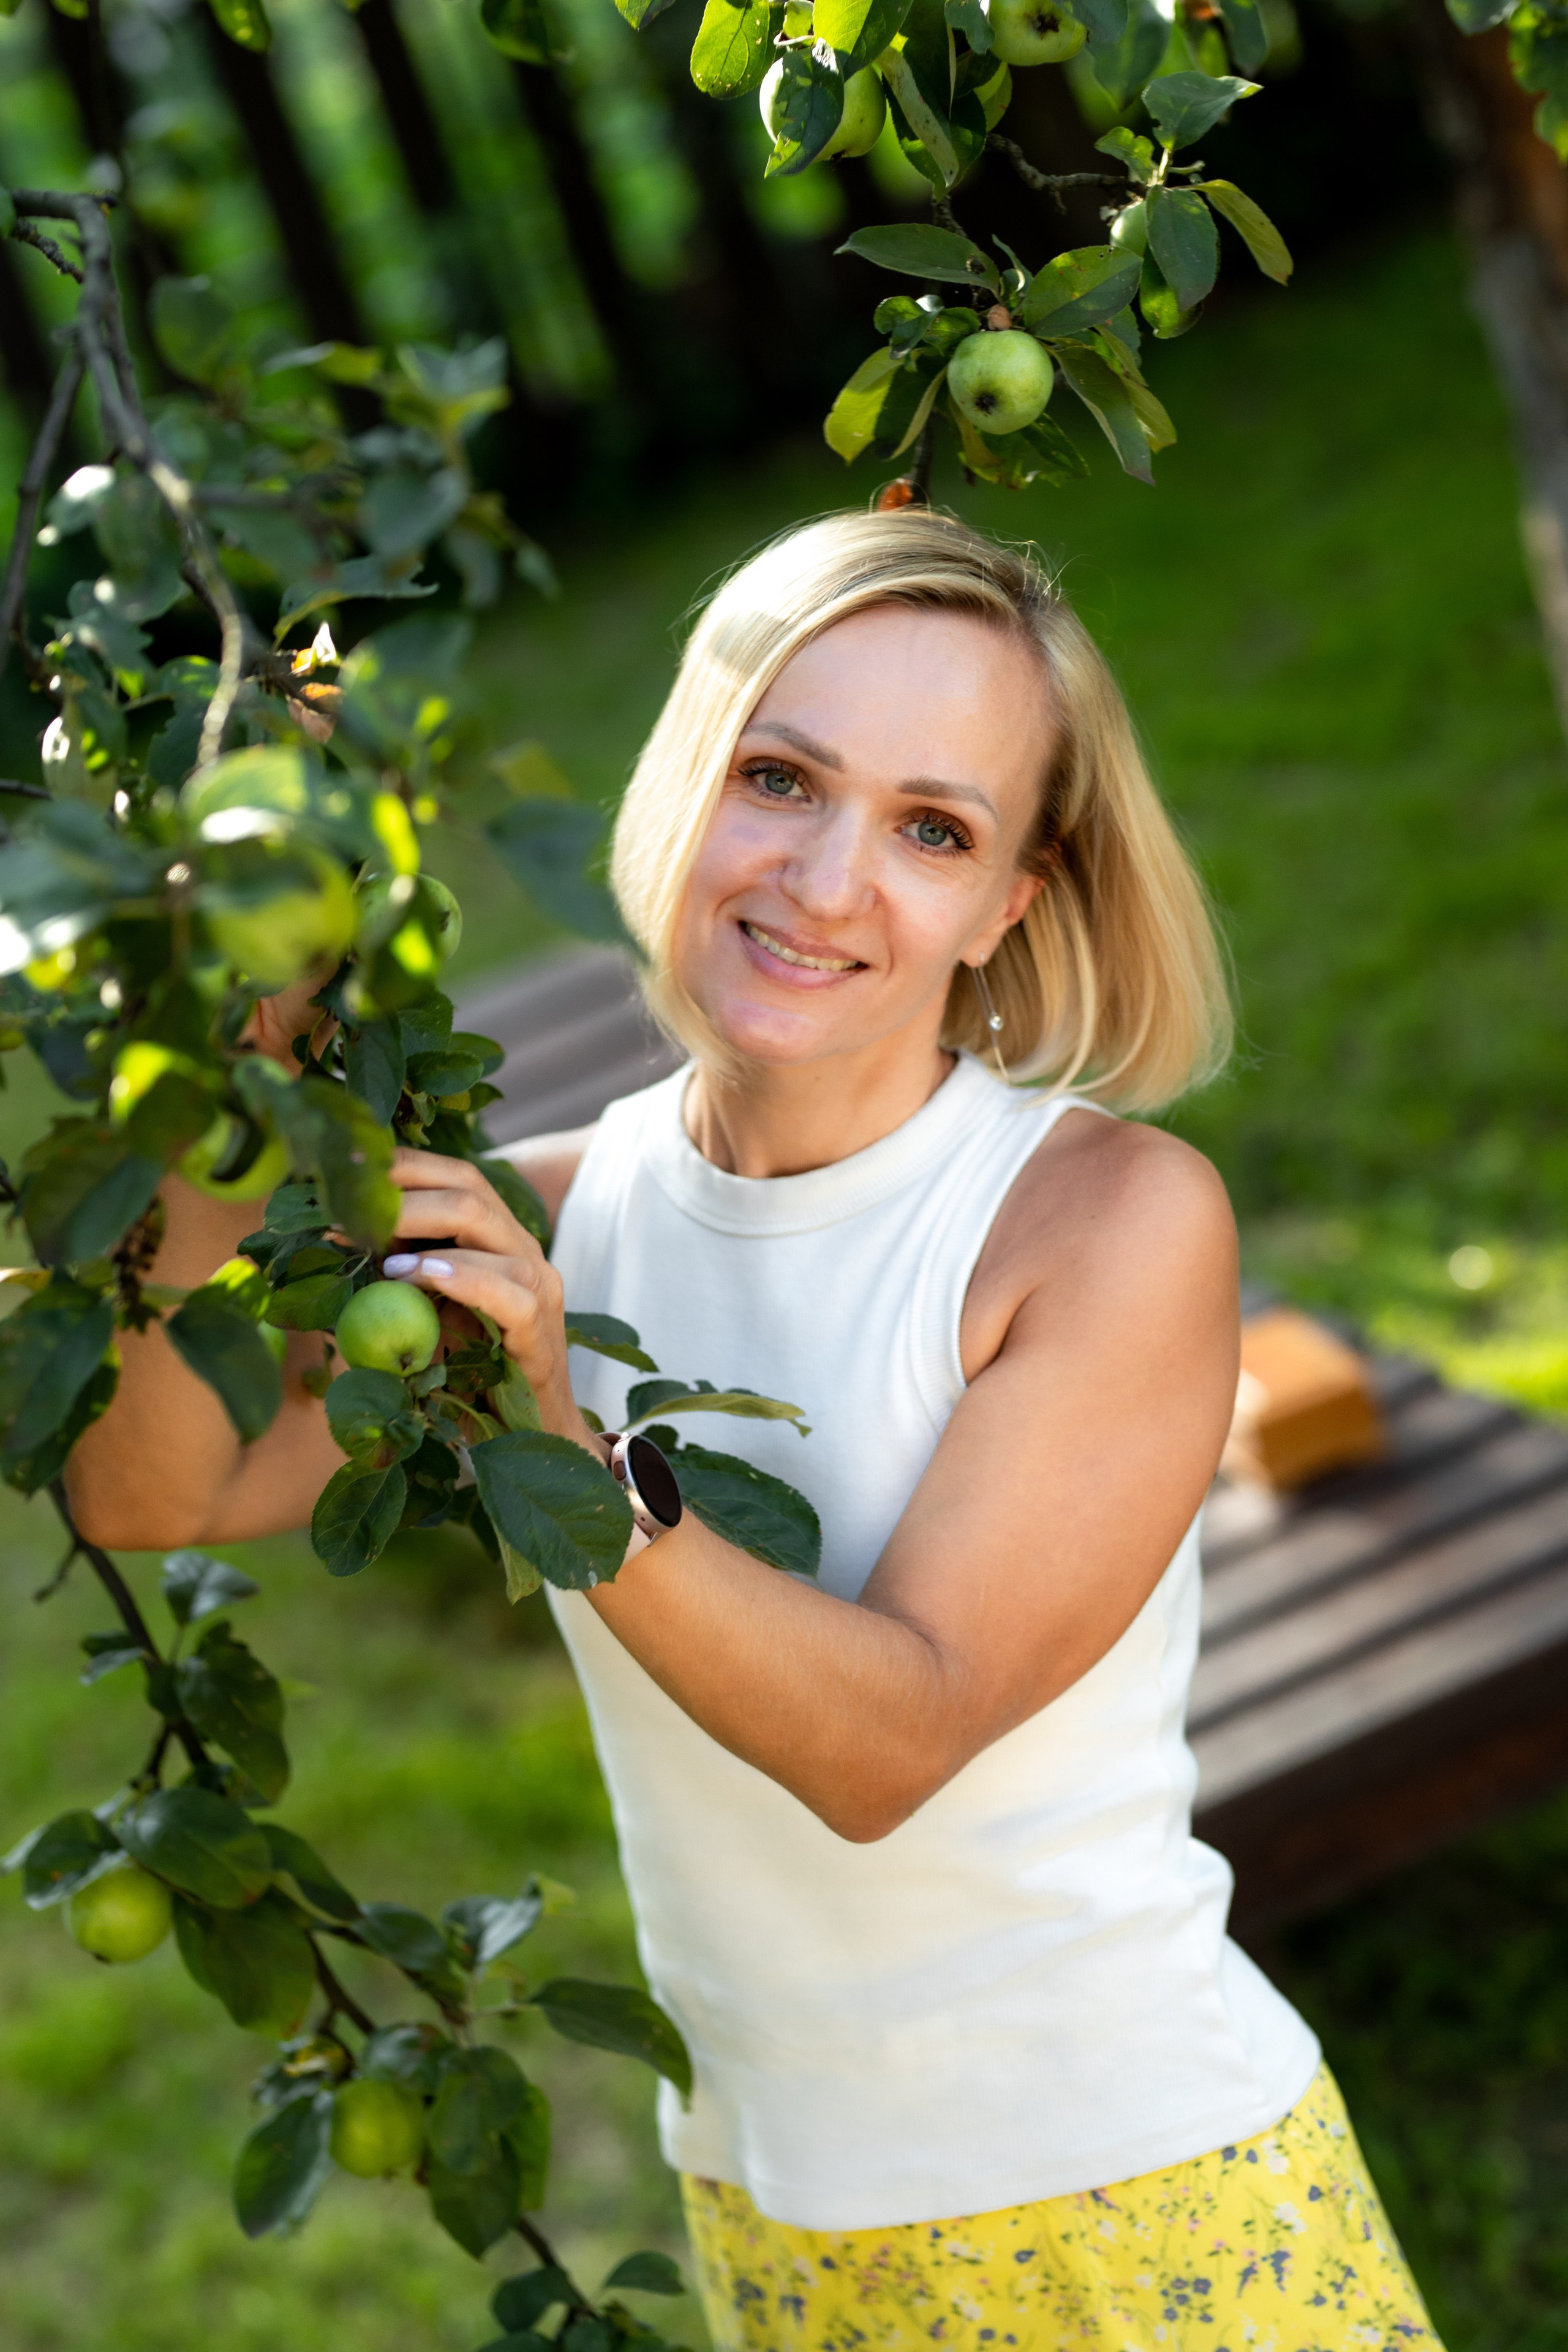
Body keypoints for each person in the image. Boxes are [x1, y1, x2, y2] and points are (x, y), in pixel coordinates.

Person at [70, 510, 1442, 2351]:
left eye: (933, 829)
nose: (822, 880)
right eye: (780, 778)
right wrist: (224, 1042)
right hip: (770, 2206)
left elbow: (898, 1740)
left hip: (1127, 2199)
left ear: (1010, 903)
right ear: (684, 779)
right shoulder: (568, 1214)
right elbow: (161, 1488)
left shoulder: (1102, 1223)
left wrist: (556, 1434)